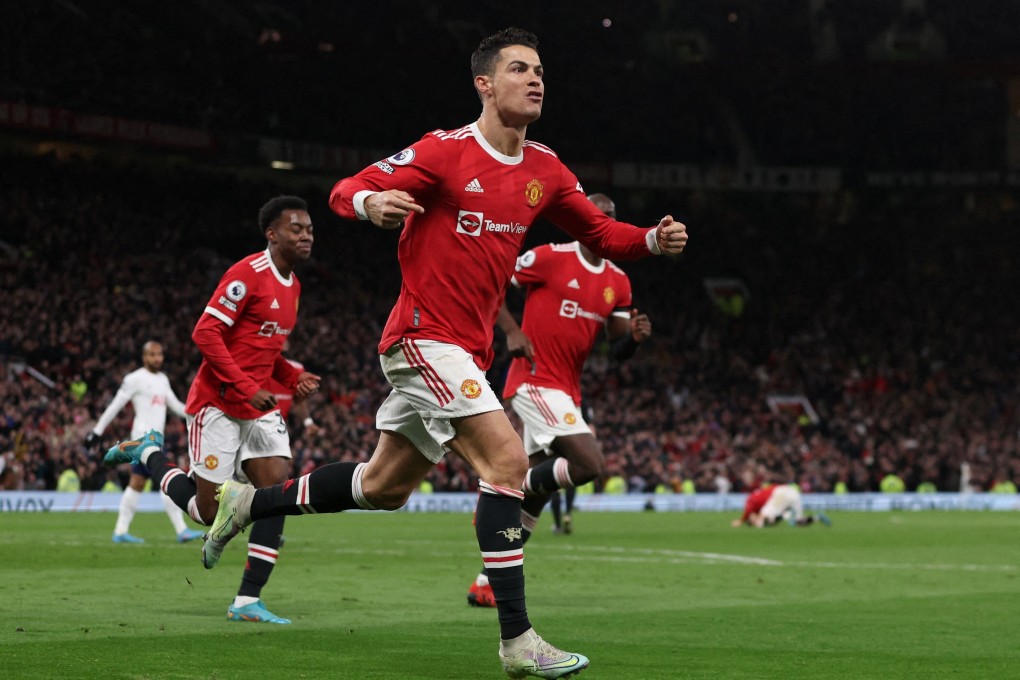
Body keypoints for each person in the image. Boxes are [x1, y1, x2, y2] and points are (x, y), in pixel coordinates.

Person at [121, 28, 686, 678]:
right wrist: (372, 202)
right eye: (519, 69)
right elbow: (344, 189)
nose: (535, 80)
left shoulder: (545, 169)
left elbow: (602, 232)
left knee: (382, 487)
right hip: (421, 339)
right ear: (484, 84)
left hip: (466, 352)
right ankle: (518, 642)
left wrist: (652, 239)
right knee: (508, 461)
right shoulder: (444, 151)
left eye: (539, 71)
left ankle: (249, 504)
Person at [104, 195, 321, 624]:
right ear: (272, 234)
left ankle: (247, 600)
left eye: (310, 229)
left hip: (257, 407)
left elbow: (265, 349)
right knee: (206, 513)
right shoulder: (247, 274)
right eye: (296, 228)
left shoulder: (294, 287)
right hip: (217, 404)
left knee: (276, 495)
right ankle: (148, 452)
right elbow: (205, 333)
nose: (306, 235)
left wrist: (291, 377)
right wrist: (246, 386)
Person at [468, 193, 653, 609]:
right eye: (598, 216)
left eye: (611, 218)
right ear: (582, 219)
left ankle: (485, 583)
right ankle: (503, 492)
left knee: (539, 496)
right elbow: (493, 282)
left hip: (566, 390)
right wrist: (512, 331)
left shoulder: (618, 282)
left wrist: (635, 340)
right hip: (535, 380)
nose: (604, 223)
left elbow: (619, 348)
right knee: (589, 464)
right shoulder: (550, 257)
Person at [85, 341, 203, 544]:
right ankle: (181, 530)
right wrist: (97, 431)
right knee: (166, 479)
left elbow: (175, 406)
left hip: (155, 441)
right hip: (143, 440)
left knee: (137, 483)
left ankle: (120, 531)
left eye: (160, 354)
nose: (157, 358)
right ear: (144, 357)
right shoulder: (134, 379)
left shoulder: (163, 380)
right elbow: (115, 405)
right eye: (152, 354)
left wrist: (199, 414)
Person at [730, 483, 831, 528]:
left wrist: (741, 521)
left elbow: (749, 510)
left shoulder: (751, 499)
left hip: (781, 492)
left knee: (762, 519)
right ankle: (817, 517)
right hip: (792, 492)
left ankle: (786, 515)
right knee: (799, 521)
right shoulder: (763, 493)